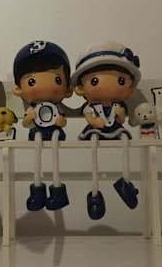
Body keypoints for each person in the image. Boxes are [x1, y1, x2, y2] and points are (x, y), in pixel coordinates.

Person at [71, 42, 141, 220]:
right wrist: (96, 122)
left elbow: (121, 120)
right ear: (80, 88)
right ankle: (95, 192)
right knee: (94, 147)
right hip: (96, 130)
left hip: (115, 129)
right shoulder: (90, 107)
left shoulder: (118, 105)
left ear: (130, 89)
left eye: (121, 81)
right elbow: (90, 118)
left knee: (125, 142)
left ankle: (125, 182)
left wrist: (120, 115)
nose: (108, 86)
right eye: (94, 81)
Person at [13, 41, 72, 211]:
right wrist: (29, 118)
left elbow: (62, 120)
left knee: (55, 163)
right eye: (31, 81)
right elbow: (26, 124)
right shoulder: (32, 109)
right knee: (37, 162)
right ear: (18, 89)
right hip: (37, 133)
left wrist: (60, 122)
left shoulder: (57, 109)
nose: (43, 86)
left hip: (55, 134)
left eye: (57, 80)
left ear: (67, 89)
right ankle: (37, 191)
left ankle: (58, 192)